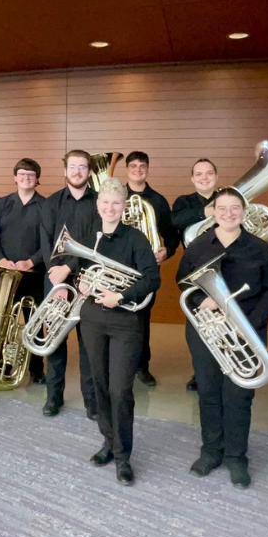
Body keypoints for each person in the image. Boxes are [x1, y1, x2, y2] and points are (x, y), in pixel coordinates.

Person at [176, 187, 268, 489]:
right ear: (213, 212)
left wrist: (249, 323)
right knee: (208, 392)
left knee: (239, 396)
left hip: (245, 331)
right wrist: (201, 300)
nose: (228, 213)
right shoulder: (198, 246)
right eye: (221, 208)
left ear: (244, 212)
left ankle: (237, 457)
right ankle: (211, 451)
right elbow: (182, 282)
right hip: (207, 331)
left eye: (235, 208)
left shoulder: (259, 248)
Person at [78, 177, 161, 486]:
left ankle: (123, 456)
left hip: (125, 322)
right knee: (99, 385)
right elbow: (79, 272)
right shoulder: (90, 237)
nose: (110, 208)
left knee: (120, 391)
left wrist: (121, 296)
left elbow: (152, 278)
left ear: (123, 206)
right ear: (98, 205)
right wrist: (81, 283)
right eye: (105, 202)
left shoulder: (135, 238)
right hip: (93, 320)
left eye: (116, 203)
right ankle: (109, 442)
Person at [40, 150, 98, 418]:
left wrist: (69, 268)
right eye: (72, 166)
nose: (77, 171)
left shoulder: (99, 202)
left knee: (90, 345)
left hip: (90, 280)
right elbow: (45, 241)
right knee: (55, 342)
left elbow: (97, 241)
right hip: (56, 279)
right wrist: (58, 279)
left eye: (82, 167)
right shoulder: (52, 202)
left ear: (90, 171)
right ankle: (53, 398)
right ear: (65, 171)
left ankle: (92, 402)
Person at [0, 158, 47, 384]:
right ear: (15, 177)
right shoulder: (3, 204)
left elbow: (51, 241)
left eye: (31, 174)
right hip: (7, 274)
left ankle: (37, 369)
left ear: (37, 179)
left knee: (35, 323)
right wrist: (1, 259)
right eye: (22, 174)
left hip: (34, 274)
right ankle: (5, 365)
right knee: (5, 322)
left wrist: (31, 261)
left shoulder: (46, 206)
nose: (26, 178)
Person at [124, 151, 175, 387]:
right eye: (133, 166)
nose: (137, 169)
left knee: (142, 318)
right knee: (117, 317)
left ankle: (142, 366)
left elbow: (171, 233)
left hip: (146, 269)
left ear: (147, 169)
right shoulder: (116, 195)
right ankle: (119, 364)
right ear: (127, 169)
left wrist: (167, 251)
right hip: (120, 267)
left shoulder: (158, 200)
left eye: (142, 165)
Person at [170, 158, 219, 392]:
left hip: (227, 267)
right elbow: (175, 221)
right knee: (199, 324)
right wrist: (204, 212)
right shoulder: (184, 202)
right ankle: (200, 372)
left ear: (216, 177)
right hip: (194, 269)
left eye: (209, 173)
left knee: (225, 321)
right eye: (199, 174)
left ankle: (223, 369)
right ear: (192, 178)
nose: (204, 178)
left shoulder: (227, 198)